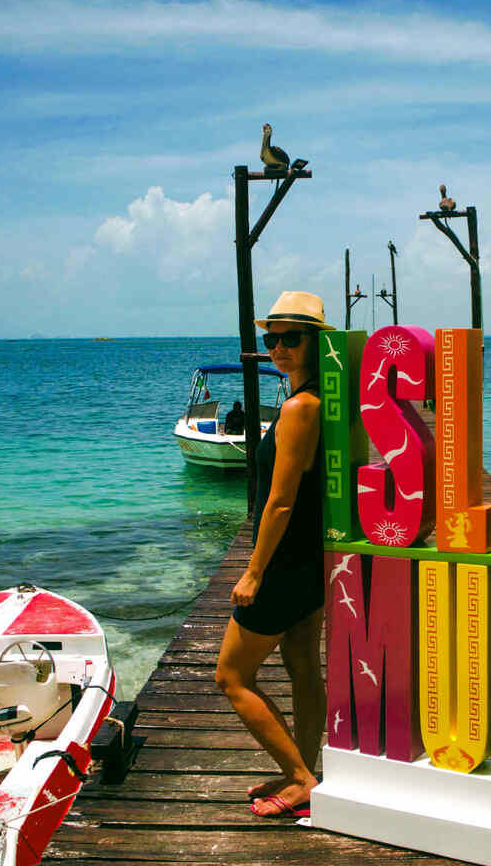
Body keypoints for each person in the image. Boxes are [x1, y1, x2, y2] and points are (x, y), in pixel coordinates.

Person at [215, 290, 330, 818]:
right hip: (306, 560)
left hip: (283, 563)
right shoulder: (308, 399)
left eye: (292, 338)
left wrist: (254, 571)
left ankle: (299, 776)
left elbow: (280, 500)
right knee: (302, 665)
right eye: (272, 339)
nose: (279, 348)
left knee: (231, 676)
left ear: (316, 343)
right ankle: (308, 771)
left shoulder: (301, 407)